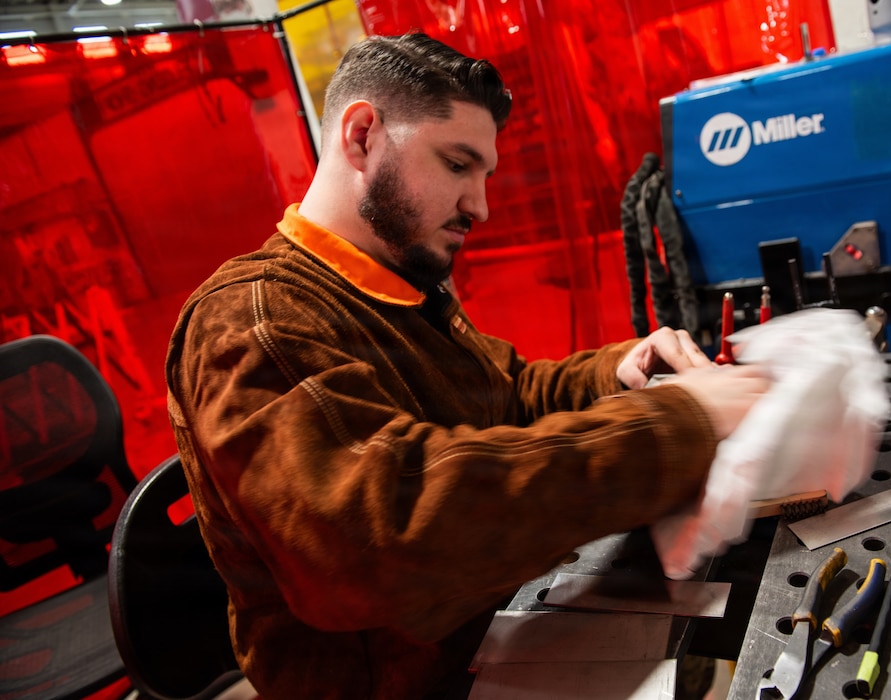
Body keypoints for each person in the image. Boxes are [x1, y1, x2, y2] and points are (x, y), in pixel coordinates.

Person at [165, 32, 770, 699]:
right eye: (457, 165)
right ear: (363, 134)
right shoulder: (254, 323)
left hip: (489, 631)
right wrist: (677, 422)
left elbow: (504, 395)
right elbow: (377, 544)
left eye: (484, 174)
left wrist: (619, 370)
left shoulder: (396, 283)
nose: (480, 205)